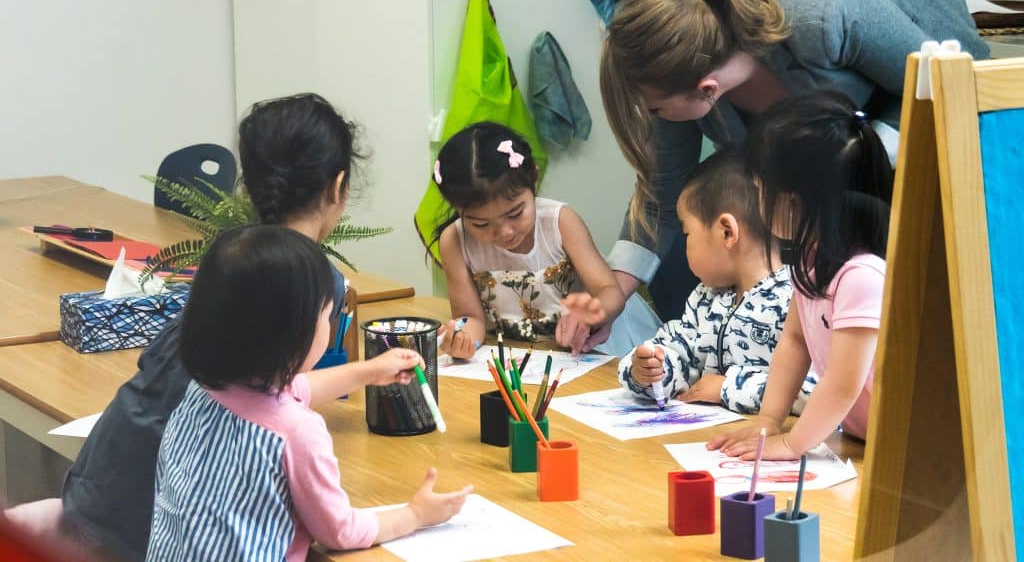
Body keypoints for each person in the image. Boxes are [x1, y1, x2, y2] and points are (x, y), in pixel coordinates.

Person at [52, 93, 419, 561]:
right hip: (151, 524)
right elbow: (282, 411)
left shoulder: (231, 255)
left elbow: (276, 391)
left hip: (101, 485)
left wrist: (367, 372)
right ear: (338, 186)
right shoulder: (309, 280)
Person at [599, 0, 988, 325]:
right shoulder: (680, 81)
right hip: (842, 171)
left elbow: (941, 87)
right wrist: (612, 292)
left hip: (953, 104)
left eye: (655, 110)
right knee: (681, 270)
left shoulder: (823, 15)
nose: (655, 119)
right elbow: (662, 195)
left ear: (707, 89)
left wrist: (857, 157)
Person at [146, 225, 471, 560]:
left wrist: (370, 371)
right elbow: (339, 531)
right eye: (327, 315)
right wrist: (415, 514)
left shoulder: (200, 391)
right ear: (292, 331)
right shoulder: (297, 431)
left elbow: (294, 391)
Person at [708, 91, 892, 459]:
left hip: (901, 450)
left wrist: (793, 444)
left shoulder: (862, 276)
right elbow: (795, 342)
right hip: (862, 443)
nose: (757, 199)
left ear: (792, 203)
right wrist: (769, 420)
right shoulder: (811, 262)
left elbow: (842, 384)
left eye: (760, 189)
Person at [430, 122, 660, 358]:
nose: (505, 232)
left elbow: (610, 291)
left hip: (593, 349)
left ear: (534, 179)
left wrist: (593, 312)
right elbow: (471, 318)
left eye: (515, 214)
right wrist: (463, 339)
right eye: (481, 224)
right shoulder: (454, 241)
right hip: (526, 357)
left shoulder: (560, 222)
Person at [618, 148, 815, 413]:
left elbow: (814, 389)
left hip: (771, 436)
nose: (684, 245)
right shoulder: (705, 297)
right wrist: (649, 370)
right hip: (706, 434)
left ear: (727, 232)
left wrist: (726, 388)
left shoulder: (798, 298)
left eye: (687, 233)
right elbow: (679, 352)